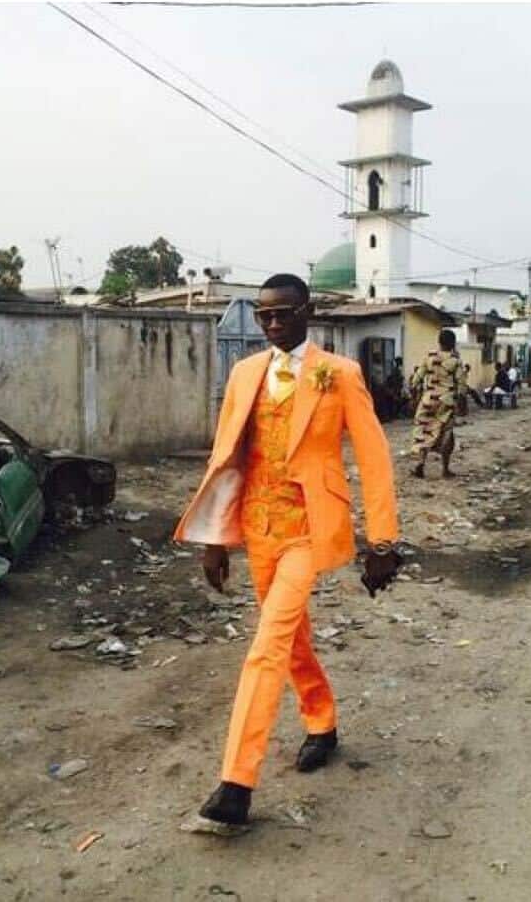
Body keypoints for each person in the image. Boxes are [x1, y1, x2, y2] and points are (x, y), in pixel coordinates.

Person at [175, 274, 400, 829]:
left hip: (308, 527)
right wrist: (213, 539)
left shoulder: (340, 374)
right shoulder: (245, 373)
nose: (274, 325)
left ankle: (236, 782)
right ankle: (321, 720)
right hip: (258, 526)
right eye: (265, 316)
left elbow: (373, 458)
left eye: (284, 314)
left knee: (267, 646)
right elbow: (226, 457)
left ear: (309, 310)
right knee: (290, 636)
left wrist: (384, 540)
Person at [408, 330, 464, 477]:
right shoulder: (455, 360)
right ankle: (445, 469)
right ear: (453, 343)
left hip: (429, 400)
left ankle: (420, 465)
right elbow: (462, 385)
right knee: (447, 434)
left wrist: (414, 396)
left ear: (439, 342)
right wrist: (460, 402)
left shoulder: (430, 356)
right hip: (446, 401)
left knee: (425, 431)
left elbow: (416, 380)